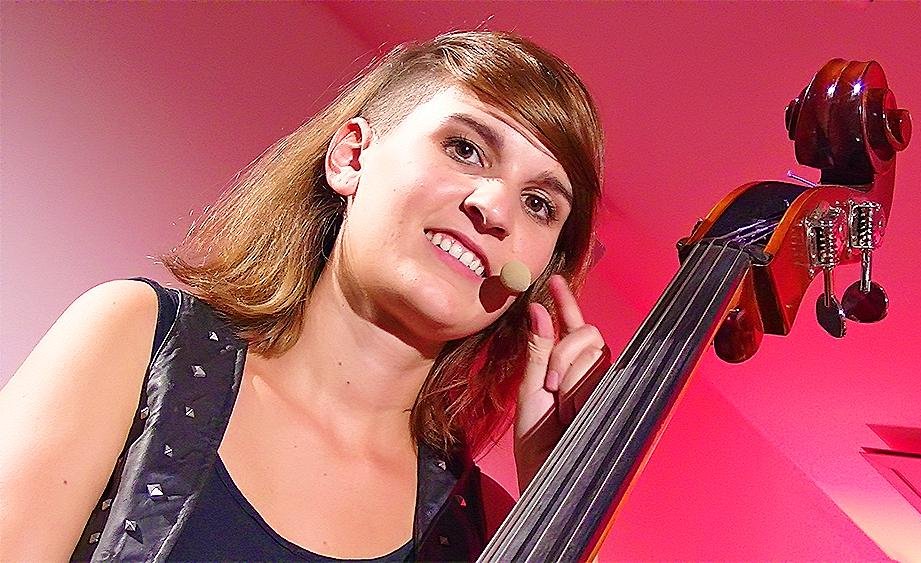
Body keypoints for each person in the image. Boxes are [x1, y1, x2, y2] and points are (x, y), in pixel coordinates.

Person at [0, 30, 606, 561]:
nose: (494, 209)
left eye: (538, 204)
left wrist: (558, 498)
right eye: (464, 149)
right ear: (351, 157)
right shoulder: (141, 344)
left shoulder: (484, 526)